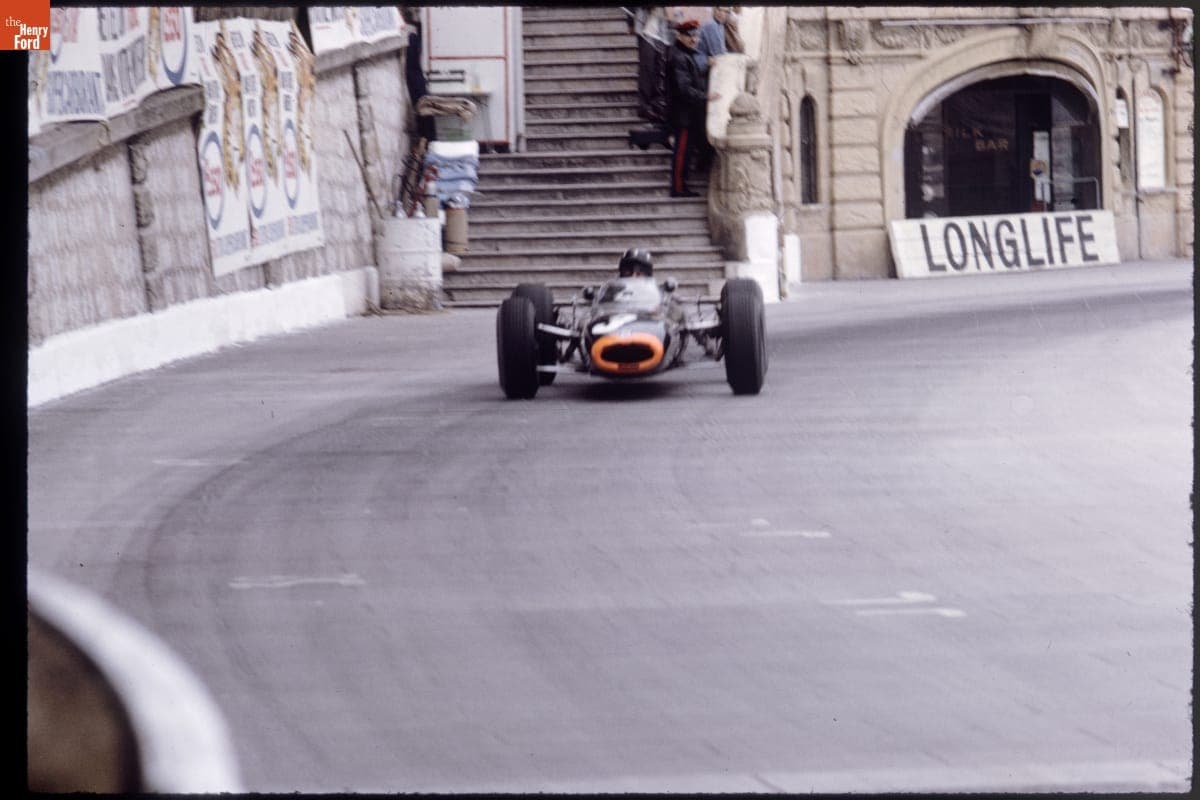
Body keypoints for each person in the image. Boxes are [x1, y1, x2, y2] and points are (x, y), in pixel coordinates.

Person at [665, 20, 717, 198]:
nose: (694, 39)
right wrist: (705, 96)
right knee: (681, 151)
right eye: (690, 35)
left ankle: (681, 186)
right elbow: (683, 88)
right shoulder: (679, 56)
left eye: (696, 35)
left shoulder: (685, 54)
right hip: (683, 114)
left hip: (689, 113)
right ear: (679, 36)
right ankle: (678, 187)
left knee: (686, 151)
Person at [694, 7, 730, 73]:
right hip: (700, 65)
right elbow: (718, 53)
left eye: (726, 12)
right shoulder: (711, 25)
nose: (721, 14)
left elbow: (722, 50)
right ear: (714, 10)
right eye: (719, 10)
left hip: (707, 64)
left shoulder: (720, 25)